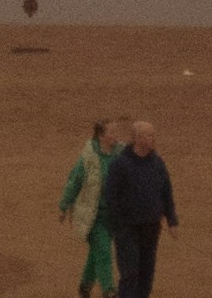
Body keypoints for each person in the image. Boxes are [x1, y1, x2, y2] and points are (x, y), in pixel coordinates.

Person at [99, 123, 176, 298]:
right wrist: (119, 226)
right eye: (148, 135)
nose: (153, 139)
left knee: (146, 274)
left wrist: (171, 220)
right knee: (130, 274)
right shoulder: (120, 164)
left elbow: (166, 191)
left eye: (153, 135)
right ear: (137, 138)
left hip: (151, 228)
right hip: (128, 230)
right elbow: (111, 197)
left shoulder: (157, 163)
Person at [58, 118, 122, 296]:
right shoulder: (89, 157)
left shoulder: (122, 153)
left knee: (96, 251)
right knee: (103, 252)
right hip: (93, 216)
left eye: (116, 131)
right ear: (101, 136)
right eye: (112, 132)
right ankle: (109, 291)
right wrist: (64, 205)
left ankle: (85, 287)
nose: (116, 135)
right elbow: (75, 180)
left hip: (113, 216)